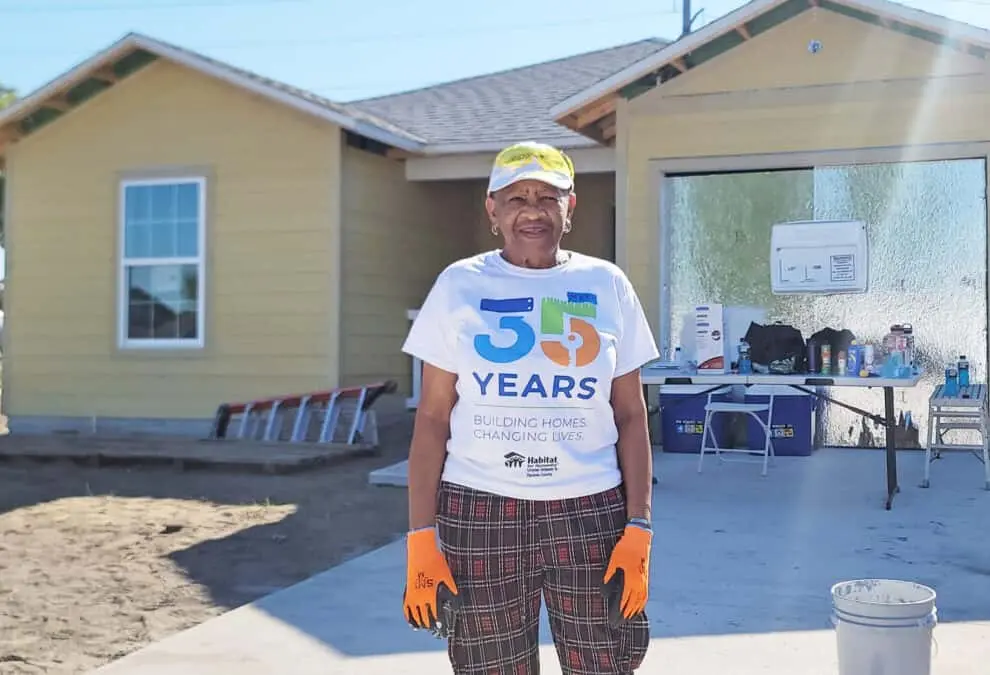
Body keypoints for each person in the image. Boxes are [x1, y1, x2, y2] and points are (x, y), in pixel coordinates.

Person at [401, 140, 659, 675]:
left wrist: (639, 527)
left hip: (589, 513)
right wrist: (421, 537)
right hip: (482, 510)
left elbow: (632, 415)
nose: (533, 210)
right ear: (492, 209)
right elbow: (432, 418)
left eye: (548, 195)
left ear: (571, 206)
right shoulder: (459, 285)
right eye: (516, 197)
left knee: (606, 663)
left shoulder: (606, 284)